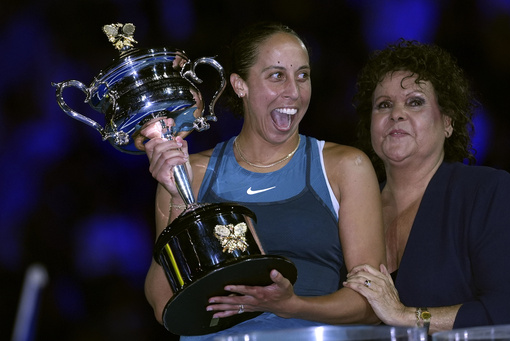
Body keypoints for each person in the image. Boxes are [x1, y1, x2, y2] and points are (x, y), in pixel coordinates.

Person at [140, 22, 386, 340]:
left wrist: (292, 305)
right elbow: (164, 305)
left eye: (303, 75)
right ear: (240, 85)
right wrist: (176, 194)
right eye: (276, 75)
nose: (294, 92)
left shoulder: (345, 167)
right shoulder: (191, 173)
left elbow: (371, 303)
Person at [343, 39, 510, 335]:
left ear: (447, 122)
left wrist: (406, 316)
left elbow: (506, 309)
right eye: (384, 105)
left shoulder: (487, 192)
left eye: (415, 102)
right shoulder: (349, 206)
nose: (396, 113)